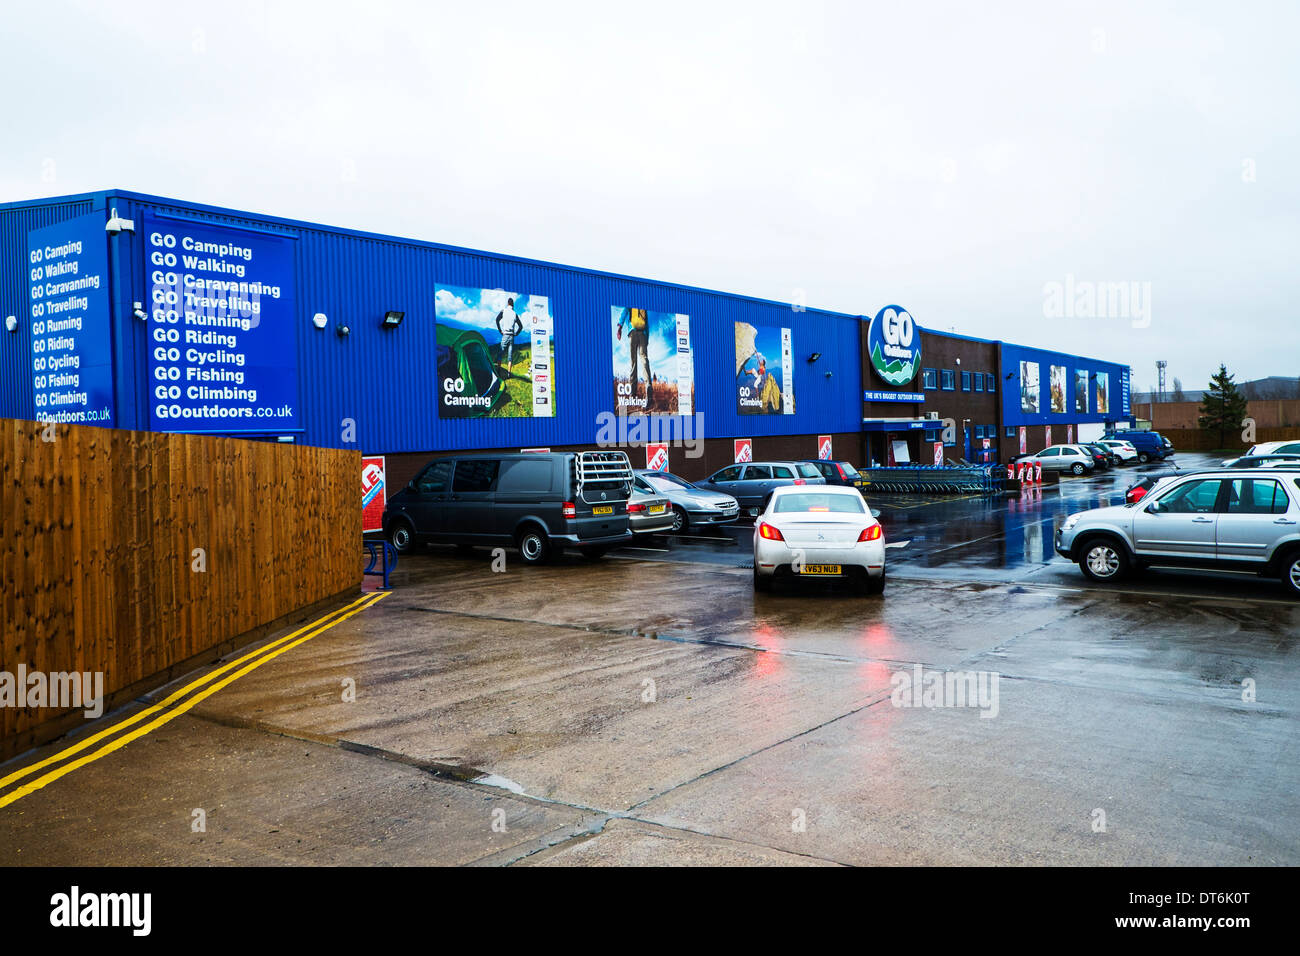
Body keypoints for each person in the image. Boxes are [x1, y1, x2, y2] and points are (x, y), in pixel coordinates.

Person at [616, 307, 652, 407]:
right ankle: (648, 386)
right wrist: (646, 339)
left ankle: (632, 393)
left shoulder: (631, 303)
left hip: (632, 333)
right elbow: (647, 324)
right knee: (644, 360)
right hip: (643, 334)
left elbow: (624, 312)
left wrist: (620, 327)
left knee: (633, 363)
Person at [495, 298, 523, 376]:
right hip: (512, 336)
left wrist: (500, 330)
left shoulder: (503, 311)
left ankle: (499, 370)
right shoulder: (515, 314)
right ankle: (509, 374)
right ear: (513, 304)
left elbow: (497, 320)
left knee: (500, 353)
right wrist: (516, 333)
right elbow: (521, 326)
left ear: (508, 303)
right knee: (510, 356)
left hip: (505, 334)